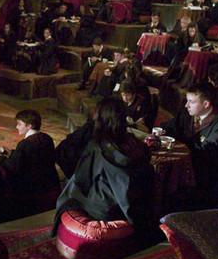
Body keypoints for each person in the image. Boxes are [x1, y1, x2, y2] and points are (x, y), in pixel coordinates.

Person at [53, 97, 154, 240]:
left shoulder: (97, 147)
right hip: (131, 207)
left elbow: (82, 179)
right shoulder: (136, 144)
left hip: (104, 211)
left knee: (70, 195)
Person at [161, 83, 218, 206]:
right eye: (187, 101)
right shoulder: (188, 113)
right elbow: (169, 127)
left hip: (204, 174)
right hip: (185, 164)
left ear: (206, 104)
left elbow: (208, 150)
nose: (186, 105)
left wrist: (183, 143)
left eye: (191, 102)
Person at [0, 110, 59, 216]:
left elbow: (14, 167)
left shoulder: (25, 144)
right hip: (49, 181)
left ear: (29, 126)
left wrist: (0, 158)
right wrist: (12, 152)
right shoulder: (46, 138)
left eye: (19, 124)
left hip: (32, 187)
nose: (16, 127)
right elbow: (33, 157)